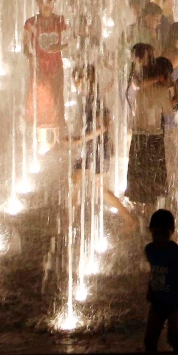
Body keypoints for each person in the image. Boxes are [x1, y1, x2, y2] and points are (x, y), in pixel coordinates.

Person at [70, 63, 136, 232]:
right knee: (77, 178)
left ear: (86, 79)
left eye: (76, 80)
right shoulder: (91, 97)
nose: (74, 83)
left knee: (100, 190)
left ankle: (129, 220)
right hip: (95, 149)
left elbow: (103, 127)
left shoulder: (94, 99)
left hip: (99, 150)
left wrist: (78, 140)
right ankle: (71, 219)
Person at [143, 208, 178, 355]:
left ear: (171, 231)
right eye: (156, 234)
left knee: (172, 337)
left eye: (164, 234)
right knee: (149, 339)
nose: (160, 238)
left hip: (177, 302)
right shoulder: (150, 250)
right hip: (158, 301)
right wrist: (150, 289)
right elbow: (154, 271)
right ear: (151, 231)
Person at [22, 0, 68, 150]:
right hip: (39, 67)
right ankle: (41, 141)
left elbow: (69, 41)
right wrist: (32, 58)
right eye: (45, 2)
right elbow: (25, 46)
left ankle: (56, 139)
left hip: (56, 65)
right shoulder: (31, 23)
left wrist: (60, 47)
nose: (48, 6)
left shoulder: (60, 21)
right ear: (38, 3)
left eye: (51, 2)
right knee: (41, 99)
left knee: (56, 97)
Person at [128, 58, 175, 209]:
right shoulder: (162, 91)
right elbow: (169, 112)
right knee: (154, 180)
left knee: (139, 178)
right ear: (163, 75)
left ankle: (139, 217)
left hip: (137, 138)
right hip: (153, 139)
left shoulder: (140, 89)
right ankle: (151, 216)